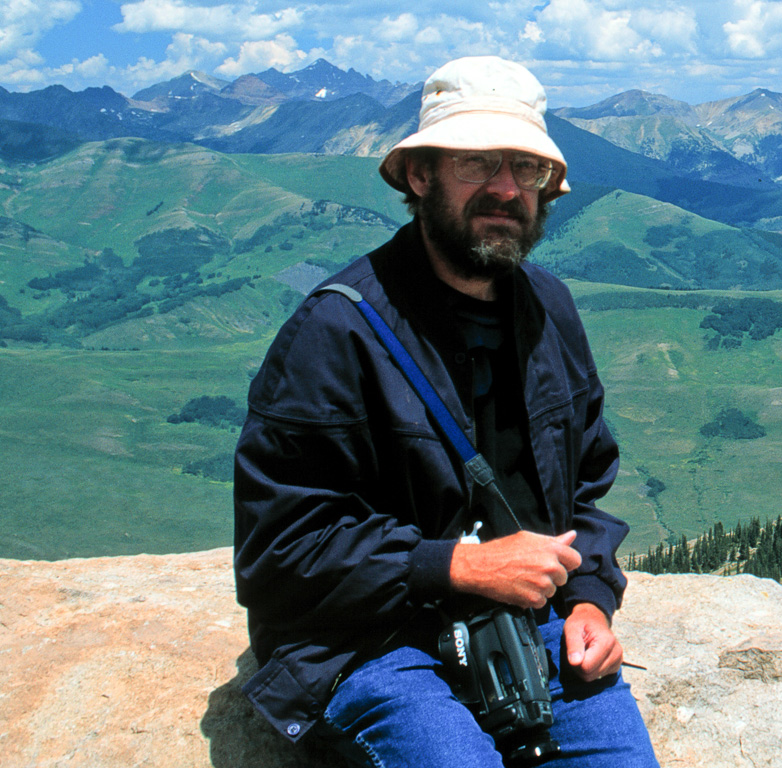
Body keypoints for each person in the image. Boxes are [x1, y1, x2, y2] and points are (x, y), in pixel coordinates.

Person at [233, 56, 660, 767]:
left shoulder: (547, 309)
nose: (504, 188)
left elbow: (585, 488)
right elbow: (277, 553)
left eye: (524, 168)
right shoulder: (338, 332)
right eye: (476, 163)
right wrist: (459, 568)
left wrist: (587, 599)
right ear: (419, 176)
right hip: (367, 640)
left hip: (529, 623)